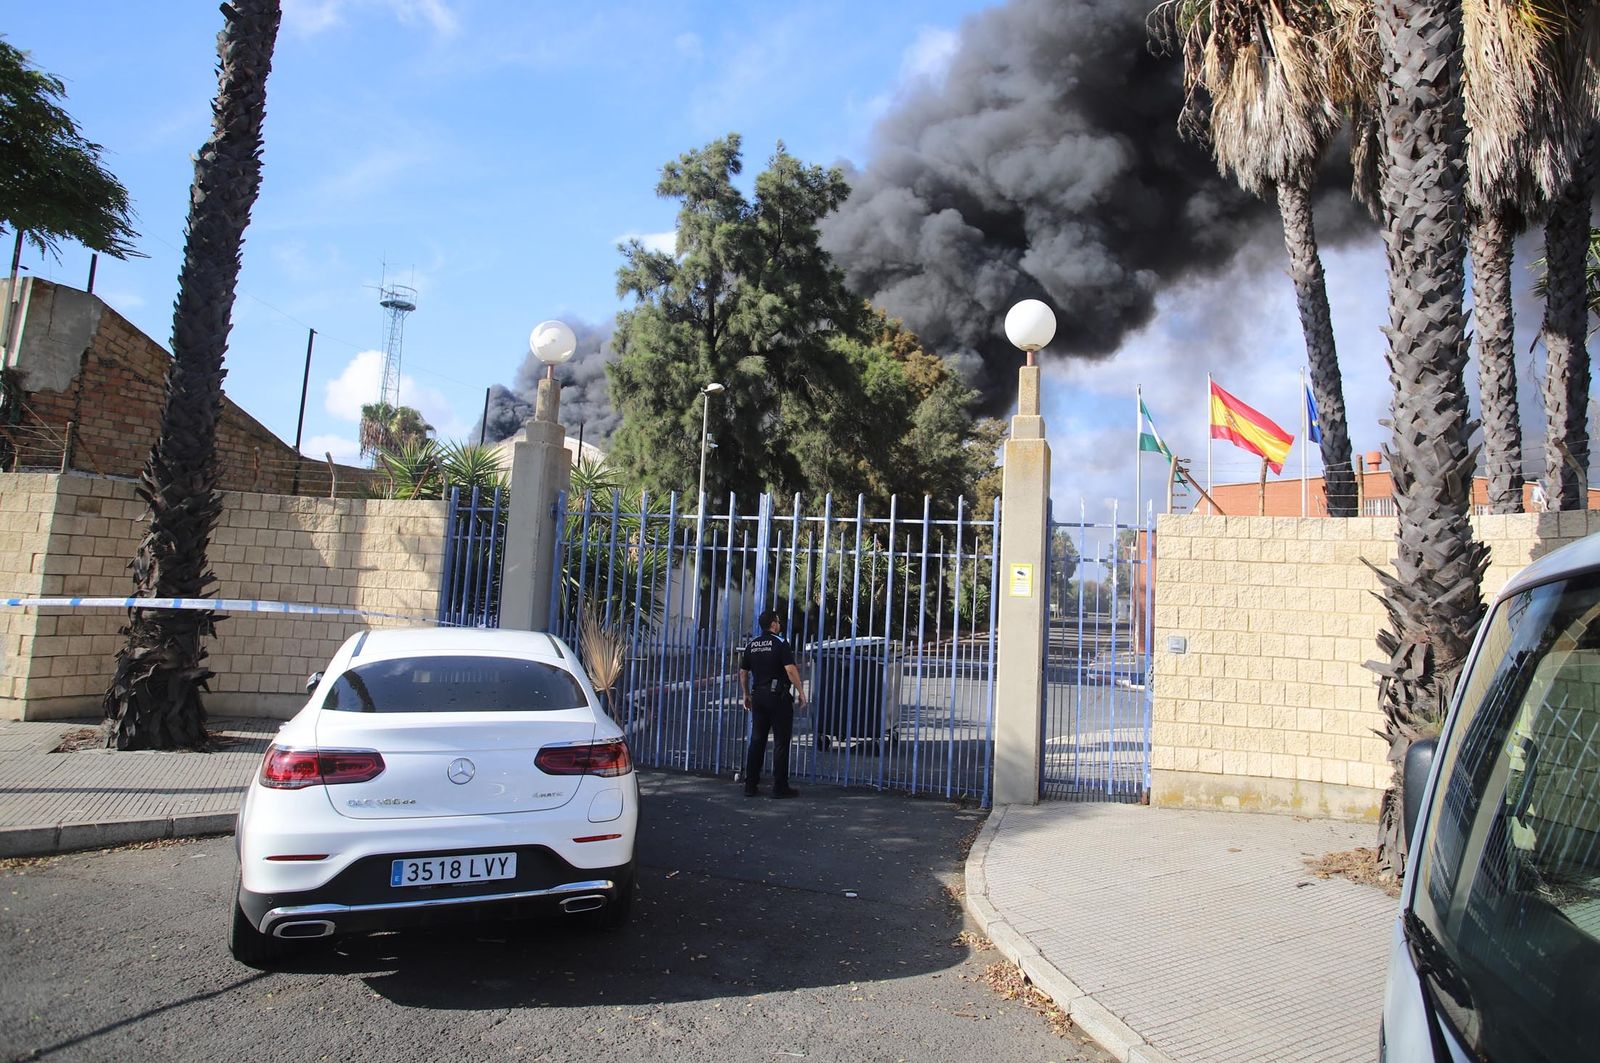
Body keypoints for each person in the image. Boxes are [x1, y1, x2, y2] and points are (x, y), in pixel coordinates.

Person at [738, 609, 807, 797]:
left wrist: (746, 694)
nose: (780, 624)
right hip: (778, 698)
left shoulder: (752, 645)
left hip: (758, 697)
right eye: (778, 621)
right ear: (774, 624)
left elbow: (743, 672)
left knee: (757, 741)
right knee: (781, 743)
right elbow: (791, 670)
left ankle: (750, 785)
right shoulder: (780, 643)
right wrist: (801, 691)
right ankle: (780, 787)